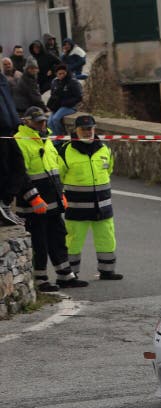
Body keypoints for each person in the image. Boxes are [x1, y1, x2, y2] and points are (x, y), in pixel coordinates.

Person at [14, 106, 87, 290]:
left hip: (52, 202)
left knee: (58, 238)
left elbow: (54, 171)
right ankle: (41, 280)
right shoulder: (20, 141)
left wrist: (61, 194)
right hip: (34, 205)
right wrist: (33, 198)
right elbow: (21, 175)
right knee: (40, 242)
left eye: (43, 120)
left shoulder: (46, 139)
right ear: (26, 121)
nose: (41, 124)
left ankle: (65, 275)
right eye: (37, 121)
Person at [59, 115, 123, 280]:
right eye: (84, 129)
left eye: (91, 129)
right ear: (76, 130)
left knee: (107, 239)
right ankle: (70, 274)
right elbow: (59, 176)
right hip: (76, 208)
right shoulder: (66, 151)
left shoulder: (105, 149)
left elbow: (108, 171)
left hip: (103, 207)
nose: (88, 132)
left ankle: (107, 271)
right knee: (73, 242)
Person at [0, 72, 25, 226]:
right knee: (3, 168)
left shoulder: (1, 78)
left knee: (19, 165)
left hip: (9, 128)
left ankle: (5, 203)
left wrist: (15, 121)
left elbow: (7, 101)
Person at [47, 64, 82, 138]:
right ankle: (54, 138)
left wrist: (67, 102)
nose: (62, 75)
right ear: (56, 74)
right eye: (59, 74)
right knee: (49, 121)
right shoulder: (55, 82)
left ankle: (61, 136)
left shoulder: (72, 82)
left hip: (70, 106)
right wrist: (50, 105)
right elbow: (53, 95)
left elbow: (79, 97)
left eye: (63, 73)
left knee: (56, 119)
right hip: (58, 106)